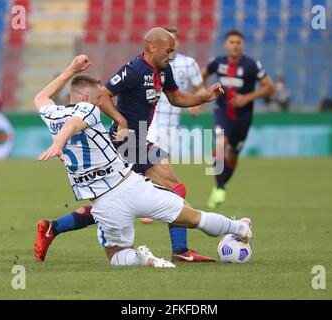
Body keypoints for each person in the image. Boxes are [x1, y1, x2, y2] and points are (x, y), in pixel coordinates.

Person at [34, 55, 253, 267]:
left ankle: (144, 259)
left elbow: (40, 98)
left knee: (116, 255)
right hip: (130, 185)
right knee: (194, 215)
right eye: (98, 98)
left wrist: (70, 71)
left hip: (103, 201)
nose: (100, 102)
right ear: (85, 99)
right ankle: (236, 229)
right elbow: (74, 122)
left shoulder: (53, 115)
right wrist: (59, 143)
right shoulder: (88, 108)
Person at [202, 30, 275, 209]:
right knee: (219, 145)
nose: (234, 45)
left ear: (242, 45)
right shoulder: (217, 63)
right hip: (222, 111)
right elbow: (201, 75)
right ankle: (219, 187)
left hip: (243, 116)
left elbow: (269, 87)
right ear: (226, 44)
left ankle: (222, 185)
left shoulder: (252, 65)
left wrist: (247, 98)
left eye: (238, 42)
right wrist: (201, 96)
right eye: (231, 42)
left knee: (233, 153)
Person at [144, 26, 206, 224]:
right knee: (154, 164)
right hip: (154, 121)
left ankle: (155, 205)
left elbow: (199, 86)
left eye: (174, 40)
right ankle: (151, 206)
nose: (172, 44)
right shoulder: (154, 65)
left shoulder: (188, 64)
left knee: (159, 166)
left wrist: (200, 101)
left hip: (172, 124)